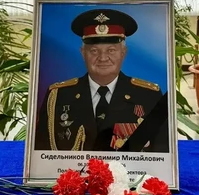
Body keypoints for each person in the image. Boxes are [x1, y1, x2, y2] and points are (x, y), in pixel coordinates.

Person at [34, 8, 169, 152]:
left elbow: (162, 153)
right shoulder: (58, 96)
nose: (103, 58)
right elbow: (42, 151)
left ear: (123, 53)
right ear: (83, 53)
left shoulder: (149, 97)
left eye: (111, 50)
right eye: (94, 51)